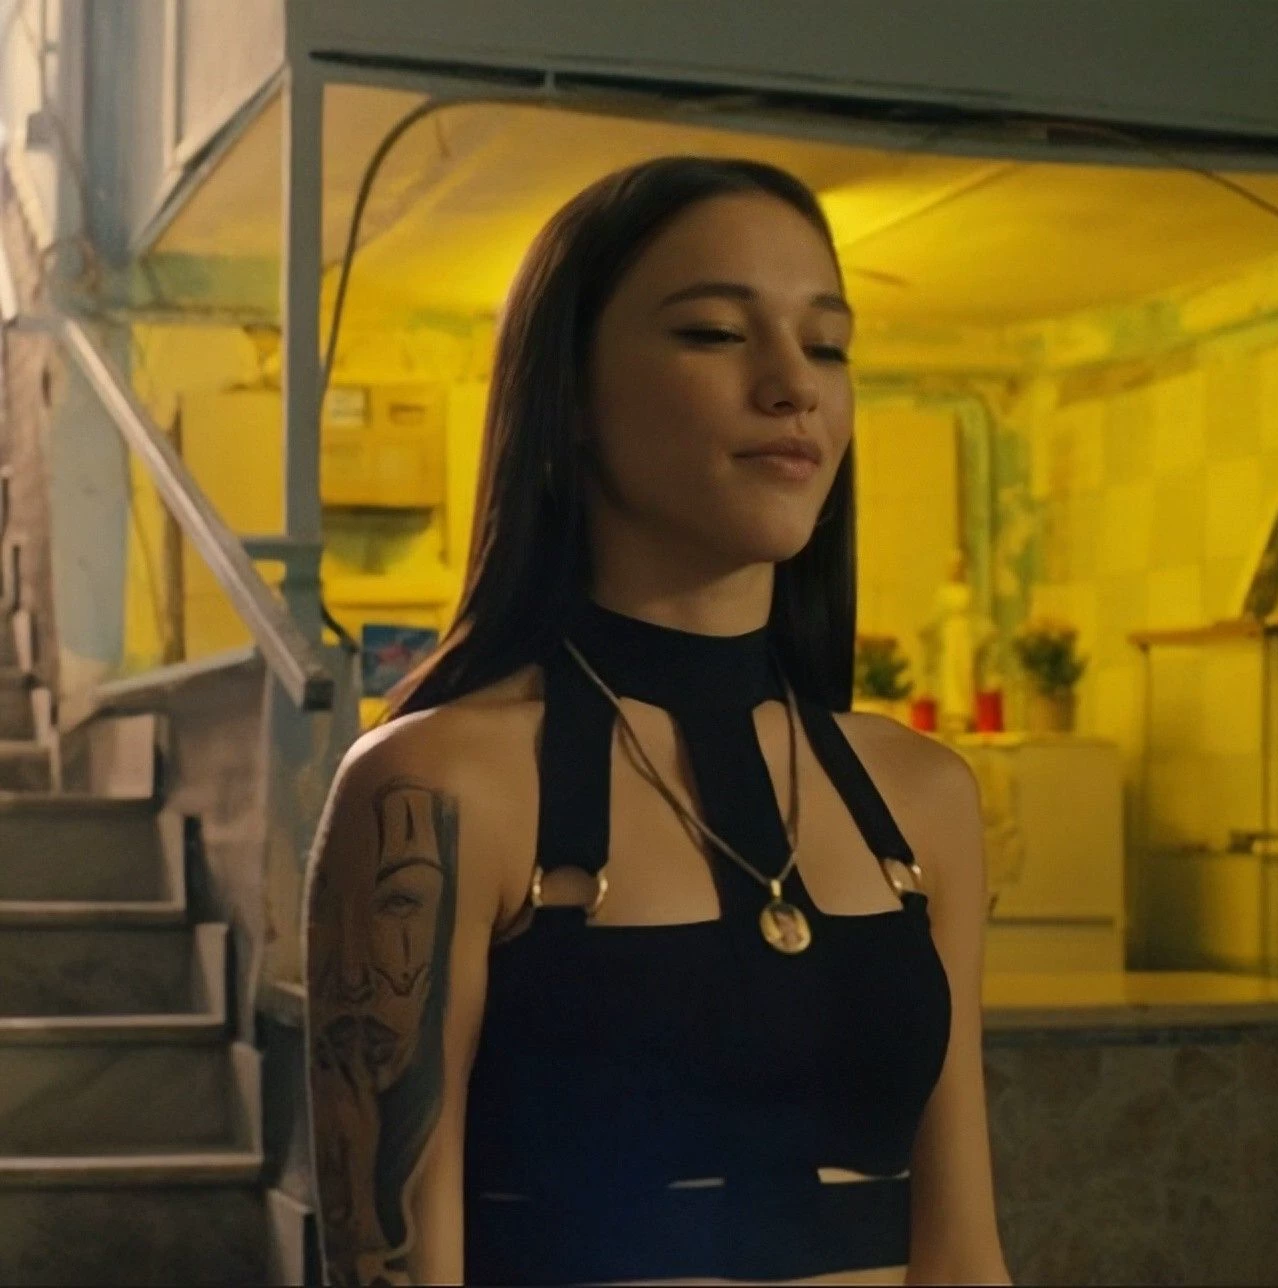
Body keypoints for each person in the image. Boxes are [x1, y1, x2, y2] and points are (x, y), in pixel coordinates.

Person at [304, 155, 1012, 1287]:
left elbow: (963, 1252)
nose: (795, 385)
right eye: (715, 333)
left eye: (828, 344)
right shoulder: (438, 789)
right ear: (571, 396)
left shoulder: (922, 797)